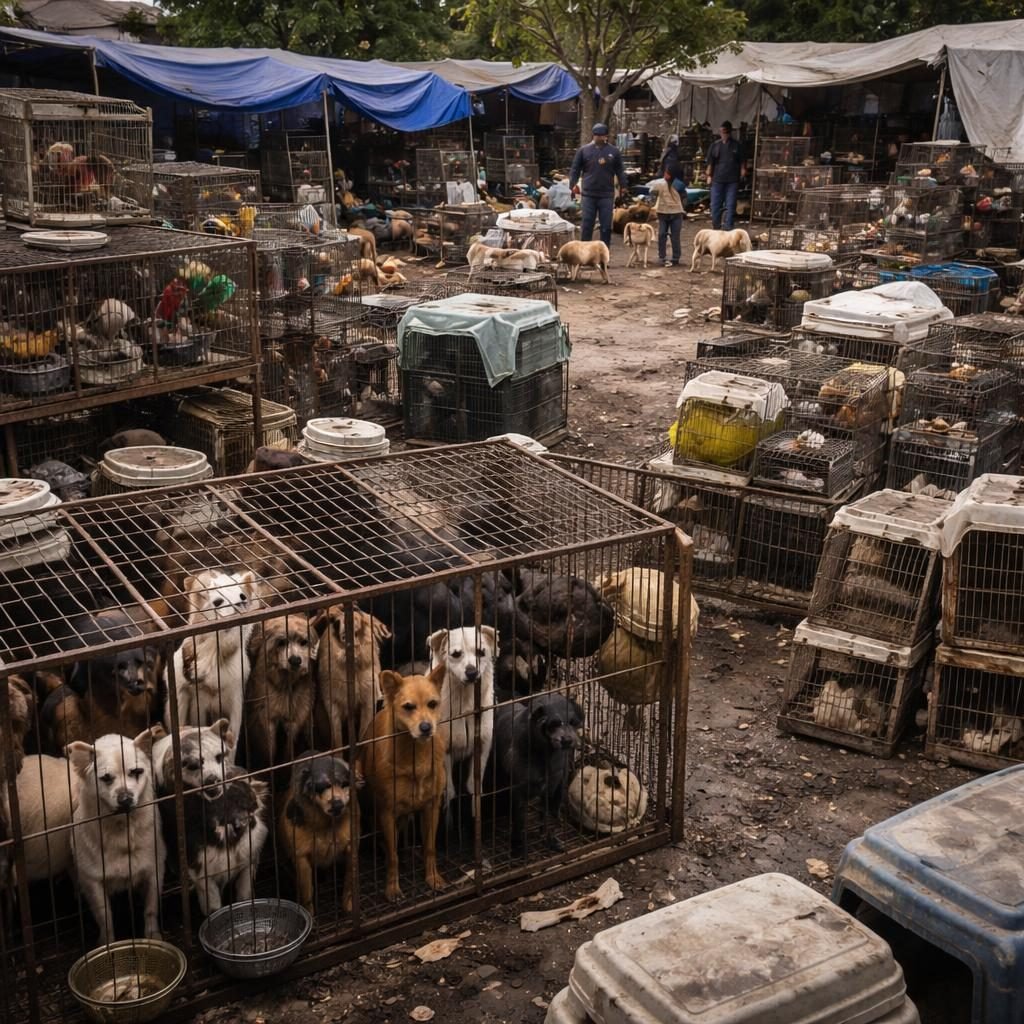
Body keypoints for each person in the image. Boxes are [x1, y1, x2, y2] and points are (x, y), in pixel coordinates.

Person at [569, 123, 625, 248]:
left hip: (606, 194)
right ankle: (584, 250)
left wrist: (624, 186)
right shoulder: (584, 151)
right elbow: (575, 169)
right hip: (588, 194)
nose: (599, 138)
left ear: (606, 136)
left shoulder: (613, 151)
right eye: (596, 135)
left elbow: (620, 170)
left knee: (606, 226)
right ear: (593, 135)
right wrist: (572, 184)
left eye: (601, 136)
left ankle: (604, 253)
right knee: (587, 224)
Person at [705, 121, 746, 230]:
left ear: (729, 132)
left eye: (725, 132)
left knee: (730, 205)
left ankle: (728, 227)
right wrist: (709, 175)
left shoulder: (736, 145)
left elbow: (742, 160)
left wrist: (743, 170)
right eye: (721, 132)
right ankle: (716, 226)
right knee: (715, 205)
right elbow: (710, 162)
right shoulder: (715, 145)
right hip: (717, 179)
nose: (723, 134)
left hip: (732, 180)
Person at [648, 171, 684, 267]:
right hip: (663, 213)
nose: (665, 175)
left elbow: (684, 196)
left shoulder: (678, 184)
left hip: (676, 213)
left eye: (667, 173)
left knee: (675, 236)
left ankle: (675, 258)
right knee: (661, 234)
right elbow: (652, 193)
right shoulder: (660, 183)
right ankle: (662, 257)